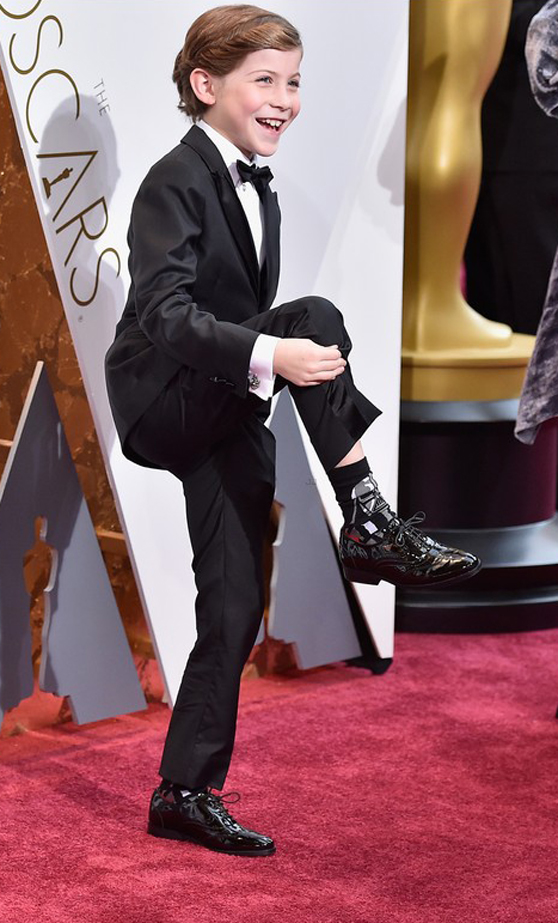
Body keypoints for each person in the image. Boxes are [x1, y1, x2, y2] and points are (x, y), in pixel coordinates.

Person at [105, 4, 480, 858]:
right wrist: (273, 352)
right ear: (206, 85)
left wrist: (264, 362)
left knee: (235, 608)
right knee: (313, 314)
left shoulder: (253, 180)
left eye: (295, 82)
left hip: (224, 399)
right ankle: (371, 520)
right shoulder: (178, 176)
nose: (285, 99)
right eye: (265, 81)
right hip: (165, 396)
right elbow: (163, 315)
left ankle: (184, 792)